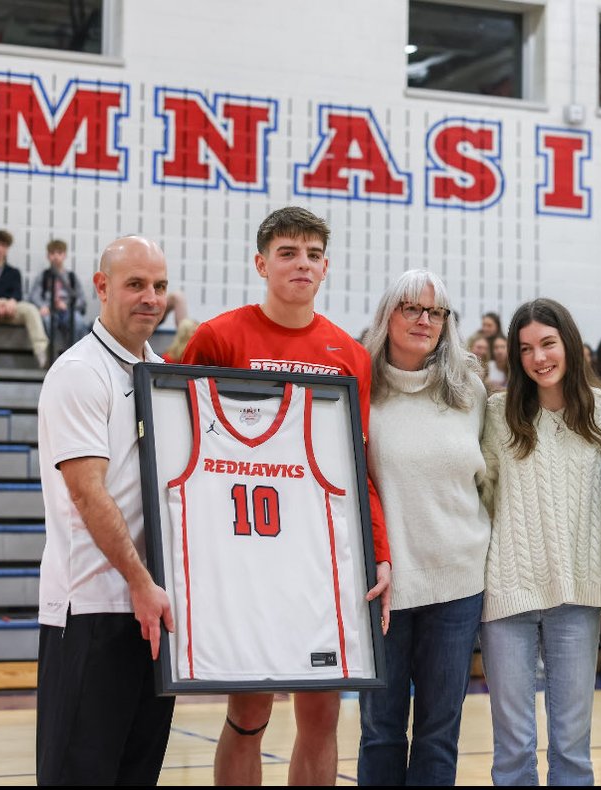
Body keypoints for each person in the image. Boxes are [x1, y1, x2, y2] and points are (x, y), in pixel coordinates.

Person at [180, 206, 392, 786]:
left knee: (322, 712)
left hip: (318, 558)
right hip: (244, 552)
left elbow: (357, 463)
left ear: (327, 267)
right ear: (261, 263)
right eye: (288, 253)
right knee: (249, 711)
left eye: (313, 254)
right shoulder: (218, 336)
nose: (303, 264)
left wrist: (380, 549)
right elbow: (179, 445)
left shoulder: (349, 354)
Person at [34, 235, 175, 784]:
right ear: (101, 287)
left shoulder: (161, 371)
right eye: (135, 284)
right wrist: (141, 583)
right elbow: (89, 494)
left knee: (137, 773)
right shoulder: (79, 373)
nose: (150, 297)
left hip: (151, 613)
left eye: (159, 286)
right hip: (92, 609)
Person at [357, 269, 491, 785]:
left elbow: (485, 483)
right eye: (411, 308)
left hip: (457, 584)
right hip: (385, 586)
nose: (424, 320)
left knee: (440, 733)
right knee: (381, 730)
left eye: (435, 312)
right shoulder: (360, 389)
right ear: (387, 315)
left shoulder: (469, 392)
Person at [479, 298, 601, 785]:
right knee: (513, 748)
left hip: (579, 596)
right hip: (508, 593)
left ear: (570, 345)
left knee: (572, 746)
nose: (538, 357)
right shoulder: (497, 414)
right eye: (525, 349)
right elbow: (482, 494)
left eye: (547, 344)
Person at [0, 229, 48, 369]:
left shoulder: (14, 272)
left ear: (7, 248)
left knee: (30, 309)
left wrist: (12, 302)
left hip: (11, 308)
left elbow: (18, 293)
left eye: (3, 245)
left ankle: (41, 352)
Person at [29, 239, 89, 347]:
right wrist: (43, 306)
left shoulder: (71, 277)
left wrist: (67, 306)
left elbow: (81, 299)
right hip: (49, 310)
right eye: (52, 253)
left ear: (65, 255)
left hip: (68, 310)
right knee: (46, 321)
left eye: (59, 253)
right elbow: (34, 296)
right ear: (48, 256)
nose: (56, 257)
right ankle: (51, 355)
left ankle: (73, 353)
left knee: (78, 322)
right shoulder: (43, 276)